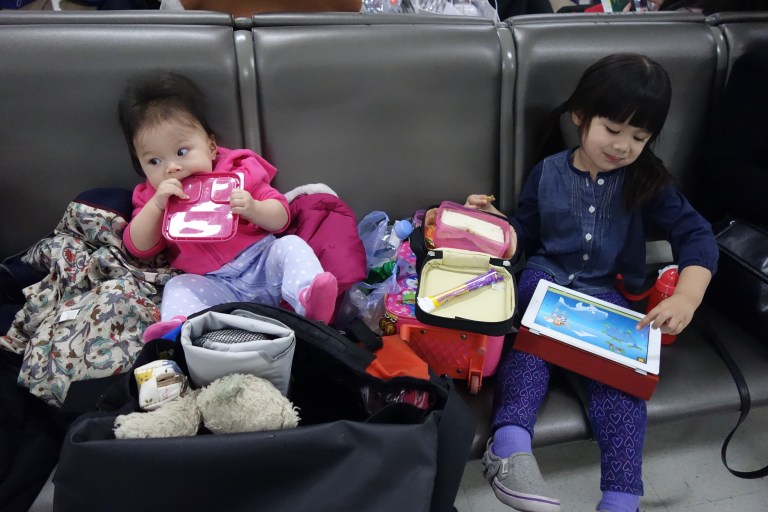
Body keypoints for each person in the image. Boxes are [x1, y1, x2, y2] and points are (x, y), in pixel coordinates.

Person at [465, 54, 718, 512]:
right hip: (546, 278)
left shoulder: (648, 182)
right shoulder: (548, 173)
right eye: (613, 129)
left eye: (639, 137)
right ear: (581, 116)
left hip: (608, 296)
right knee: (530, 341)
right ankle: (509, 445)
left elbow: (696, 234)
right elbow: (525, 235)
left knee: (620, 383)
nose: (623, 146)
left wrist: (688, 295)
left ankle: (621, 497)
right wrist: (492, 224)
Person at [118, 71, 338, 338]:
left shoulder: (239, 171)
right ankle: (179, 328)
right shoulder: (153, 196)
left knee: (290, 246)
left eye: (182, 152)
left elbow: (282, 217)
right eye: (154, 161)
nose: (172, 167)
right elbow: (137, 248)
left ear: (211, 146)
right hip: (214, 284)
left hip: (262, 263)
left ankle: (307, 298)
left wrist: (254, 208)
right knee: (178, 285)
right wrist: (156, 207)